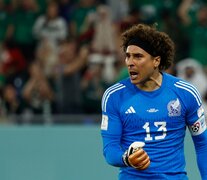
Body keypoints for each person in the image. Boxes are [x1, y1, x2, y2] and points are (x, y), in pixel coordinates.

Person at [100, 23, 207, 180]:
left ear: (156, 61)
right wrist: (126, 159)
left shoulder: (185, 93)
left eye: (138, 56)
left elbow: (203, 144)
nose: (130, 62)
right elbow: (110, 148)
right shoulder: (114, 96)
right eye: (128, 56)